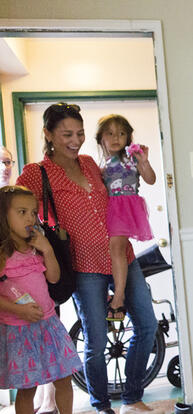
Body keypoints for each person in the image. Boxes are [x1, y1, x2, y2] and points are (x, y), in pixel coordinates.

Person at [16, 103, 161, 414]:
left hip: (122, 255)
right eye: (67, 134)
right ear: (48, 134)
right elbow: (13, 211)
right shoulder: (36, 172)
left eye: (80, 133)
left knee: (147, 326)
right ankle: (101, 404)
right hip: (84, 266)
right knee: (95, 342)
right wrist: (34, 244)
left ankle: (133, 396)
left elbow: (124, 192)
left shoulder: (91, 164)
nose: (75, 140)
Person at [0, 185, 82, 414]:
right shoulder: (3, 254)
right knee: (28, 388)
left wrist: (47, 250)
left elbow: (54, 278)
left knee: (64, 378)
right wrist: (20, 312)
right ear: (3, 216)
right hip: (19, 330)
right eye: (21, 212)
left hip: (48, 324)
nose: (30, 218)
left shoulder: (35, 247)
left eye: (33, 212)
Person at [95, 114, 155, 321]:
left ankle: (118, 297)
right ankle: (115, 295)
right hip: (110, 209)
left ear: (128, 137)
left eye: (121, 133)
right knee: (114, 249)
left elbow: (151, 179)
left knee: (117, 248)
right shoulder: (101, 164)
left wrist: (144, 163)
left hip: (127, 207)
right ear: (101, 138)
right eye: (110, 133)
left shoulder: (132, 157)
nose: (116, 138)